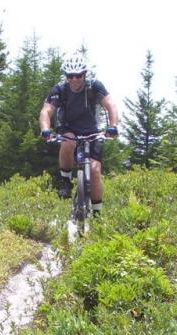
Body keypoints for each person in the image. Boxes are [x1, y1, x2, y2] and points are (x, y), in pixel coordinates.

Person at [38, 54, 120, 216]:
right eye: (70, 76)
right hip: (68, 128)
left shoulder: (94, 86)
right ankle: (65, 180)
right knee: (68, 143)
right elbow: (46, 111)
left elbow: (111, 105)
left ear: (84, 74)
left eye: (78, 75)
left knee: (95, 170)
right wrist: (46, 130)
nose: (74, 79)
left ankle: (97, 213)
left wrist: (113, 126)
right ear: (66, 76)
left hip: (92, 131)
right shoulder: (60, 89)